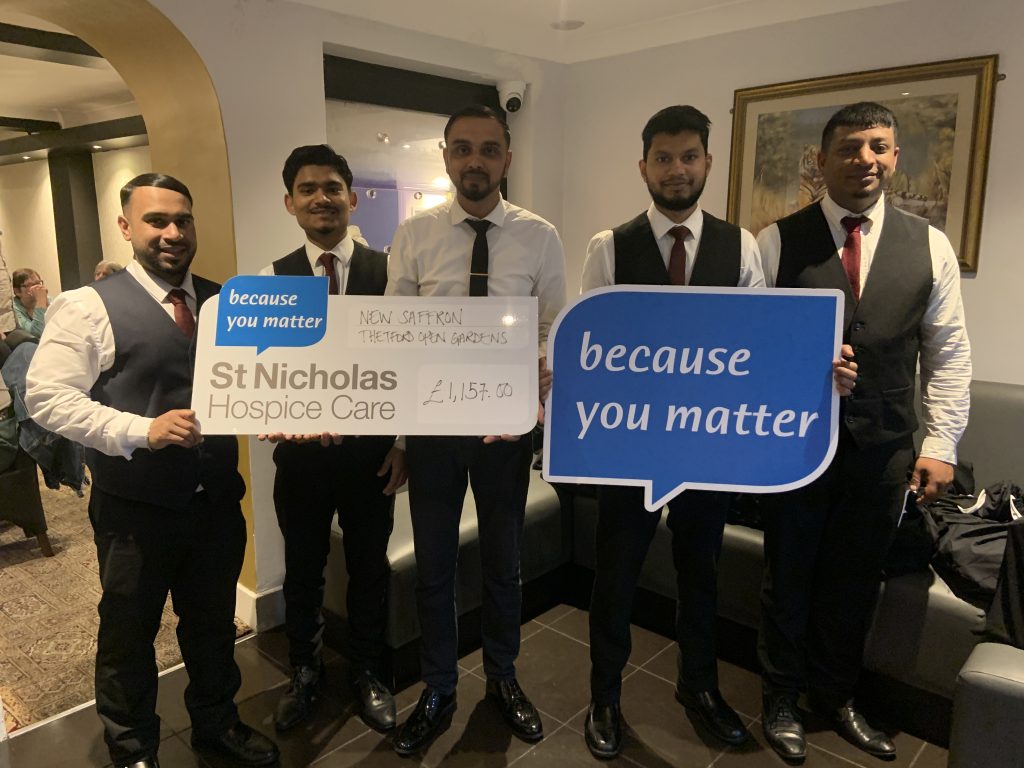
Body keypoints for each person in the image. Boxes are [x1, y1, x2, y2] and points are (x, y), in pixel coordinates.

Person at [25, 173, 280, 768]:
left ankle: (217, 725)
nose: (172, 232)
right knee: (128, 633)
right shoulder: (87, 306)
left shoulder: (224, 304)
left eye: (182, 220)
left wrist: (286, 411)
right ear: (126, 227)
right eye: (155, 221)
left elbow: (264, 382)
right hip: (133, 511)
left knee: (212, 625)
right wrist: (141, 430)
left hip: (216, 502)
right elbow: (47, 398)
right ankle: (133, 747)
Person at [756, 102, 971, 764]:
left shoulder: (929, 244)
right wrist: (801, 368)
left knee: (854, 578)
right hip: (794, 442)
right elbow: (749, 349)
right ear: (821, 161)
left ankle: (836, 694)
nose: (865, 159)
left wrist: (941, 445)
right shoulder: (774, 242)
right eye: (850, 148)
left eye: (878, 146)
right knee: (787, 572)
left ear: (895, 157)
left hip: (883, 449)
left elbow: (948, 353)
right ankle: (781, 696)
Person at [578, 105, 765, 758]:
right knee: (615, 575)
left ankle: (700, 686)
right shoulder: (609, 246)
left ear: (708, 163)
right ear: (643, 167)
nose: (677, 169)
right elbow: (592, 350)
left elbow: (756, 347)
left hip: (707, 444)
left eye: (689, 157)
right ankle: (604, 694)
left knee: (701, 573)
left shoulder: (742, 246)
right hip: (629, 447)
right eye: (663, 158)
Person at [386, 104, 566, 755]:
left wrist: (539, 375)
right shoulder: (414, 235)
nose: (475, 161)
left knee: (503, 564)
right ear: (445, 156)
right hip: (432, 429)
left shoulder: (540, 236)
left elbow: (552, 326)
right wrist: (400, 440)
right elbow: (396, 338)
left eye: (489, 149)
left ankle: (502, 677)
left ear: (507, 159)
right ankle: (438, 688)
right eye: (462, 148)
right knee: (433, 568)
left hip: (505, 431)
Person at [257, 144, 406, 733]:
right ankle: (305, 670)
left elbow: (410, 365)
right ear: (290, 202)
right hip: (300, 459)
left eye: (332, 188)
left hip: (374, 456)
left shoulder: (392, 273)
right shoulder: (269, 281)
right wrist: (265, 411)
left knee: (370, 568)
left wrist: (404, 444)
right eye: (308, 189)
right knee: (302, 571)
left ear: (352, 198)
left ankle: (368, 671)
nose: (321, 198)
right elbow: (260, 371)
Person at [12, 268, 48, 337]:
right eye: (29, 284)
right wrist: (40, 301)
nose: (38, 287)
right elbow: (37, 334)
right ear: (17, 291)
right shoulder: (13, 309)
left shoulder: (49, 299)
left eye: (38, 283)